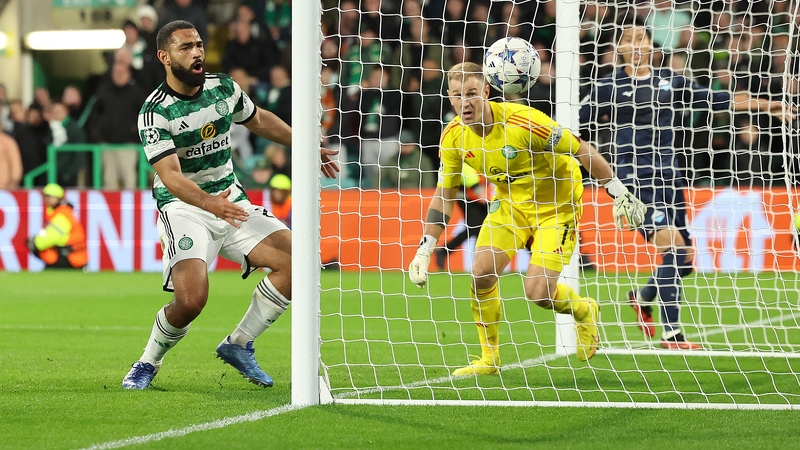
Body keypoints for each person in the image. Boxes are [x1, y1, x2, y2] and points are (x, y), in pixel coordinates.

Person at [122, 20, 338, 390]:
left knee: (299, 262)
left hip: (231, 200)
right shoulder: (155, 112)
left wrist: (304, 143)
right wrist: (211, 205)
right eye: (186, 47)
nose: (197, 53)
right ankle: (147, 362)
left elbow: (259, 119)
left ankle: (239, 343)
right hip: (185, 208)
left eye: (199, 45)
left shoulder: (223, 87)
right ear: (164, 57)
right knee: (191, 301)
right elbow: (171, 176)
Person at [408, 62, 646, 375]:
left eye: (471, 93)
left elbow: (581, 149)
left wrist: (618, 191)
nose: (464, 103)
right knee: (481, 272)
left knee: (538, 293)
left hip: (556, 205)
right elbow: (444, 194)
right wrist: (425, 247)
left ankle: (583, 309)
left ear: (486, 92)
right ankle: (489, 359)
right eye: (456, 95)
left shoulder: (525, 123)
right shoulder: (453, 137)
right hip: (511, 205)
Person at [578, 15, 794, 350]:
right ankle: (672, 334)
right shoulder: (607, 86)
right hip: (635, 182)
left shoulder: (670, 80)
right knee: (676, 250)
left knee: (684, 260)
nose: (636, 46)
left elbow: (719, 99)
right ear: (619, 48)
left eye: (641, 39)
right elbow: (575, 127)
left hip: (671, 179)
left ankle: (642, 296)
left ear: (651, 45)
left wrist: (768, 106)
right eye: (629, 40)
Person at [434, 164, 488, 269]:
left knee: (481, 229)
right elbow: (466, 171)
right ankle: (444, 250)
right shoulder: (466, 157)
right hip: (468, 196)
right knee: (474, 227)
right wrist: (478, 190)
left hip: (477, 195)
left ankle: (479, 262)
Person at [26, 183, 87, 269]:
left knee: (38, 247)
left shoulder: (62, 215)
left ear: (58, 198)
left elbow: (52, 237)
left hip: (72, 258)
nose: (47, 199)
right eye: (45, 196)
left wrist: (35, 242)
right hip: (74, 256)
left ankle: (51, 269)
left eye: (49, 196)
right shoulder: (63, 212)